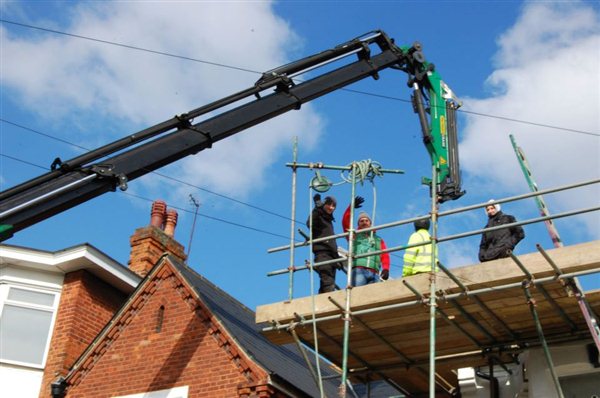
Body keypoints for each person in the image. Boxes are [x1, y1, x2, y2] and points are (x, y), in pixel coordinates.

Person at [342, 196, 390, 286]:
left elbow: (385, 255)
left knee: (373, 298)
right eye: (361, 221)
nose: (364, 222)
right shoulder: (354, 235)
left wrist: (386, 269)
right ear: (358, 224)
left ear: (370, 223)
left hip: (375, 272)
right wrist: (351, 207)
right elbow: (345, 221)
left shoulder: (378, 240)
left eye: (366, 220)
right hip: (359, 270)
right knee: (357, 294)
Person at [307, 194, 342, 293]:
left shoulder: (329, 221)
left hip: (331, 256)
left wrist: (336, 257)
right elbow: (310, 224)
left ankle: (321, 304)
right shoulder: (319, 216)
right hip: (322, 253)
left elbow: (331, 243)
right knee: (328, 282)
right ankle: (327, 302)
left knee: (327, 282)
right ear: (324, 204)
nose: (331, 208)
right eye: (329, 205)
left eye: (334, 206)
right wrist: (317, 209)